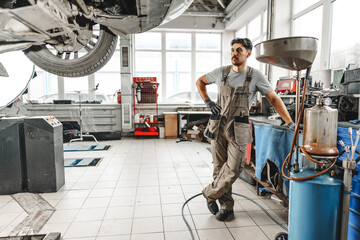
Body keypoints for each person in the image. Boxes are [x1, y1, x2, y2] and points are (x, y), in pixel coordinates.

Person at [196, 37, 294, 221]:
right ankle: (226, 207)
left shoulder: (255, 76)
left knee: (233, 168)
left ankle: (210, 193)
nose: (234, 53)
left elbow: (273, 99)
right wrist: (208, 102)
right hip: (218, 125)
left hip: (239, 127)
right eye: (232, 50)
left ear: (248, 53)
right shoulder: (220, 73)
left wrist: (289, 121)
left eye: (239, 50)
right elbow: (199, 82)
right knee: (219, 168)